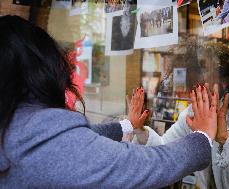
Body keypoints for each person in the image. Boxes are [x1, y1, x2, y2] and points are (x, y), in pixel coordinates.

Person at [0, 15, 217, 188]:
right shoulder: (42, 137)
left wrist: (128, 126)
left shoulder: (14, 123)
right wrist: (203, 137)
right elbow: (146, 165)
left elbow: (80, 139)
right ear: (42, 71)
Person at [133, 40, 229, 189]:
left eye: (204, 68)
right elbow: (166, 151)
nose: (196, 78)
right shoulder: (193, 112)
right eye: (194, 71)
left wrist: (226, 138)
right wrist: (140, 131)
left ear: (226, 78)